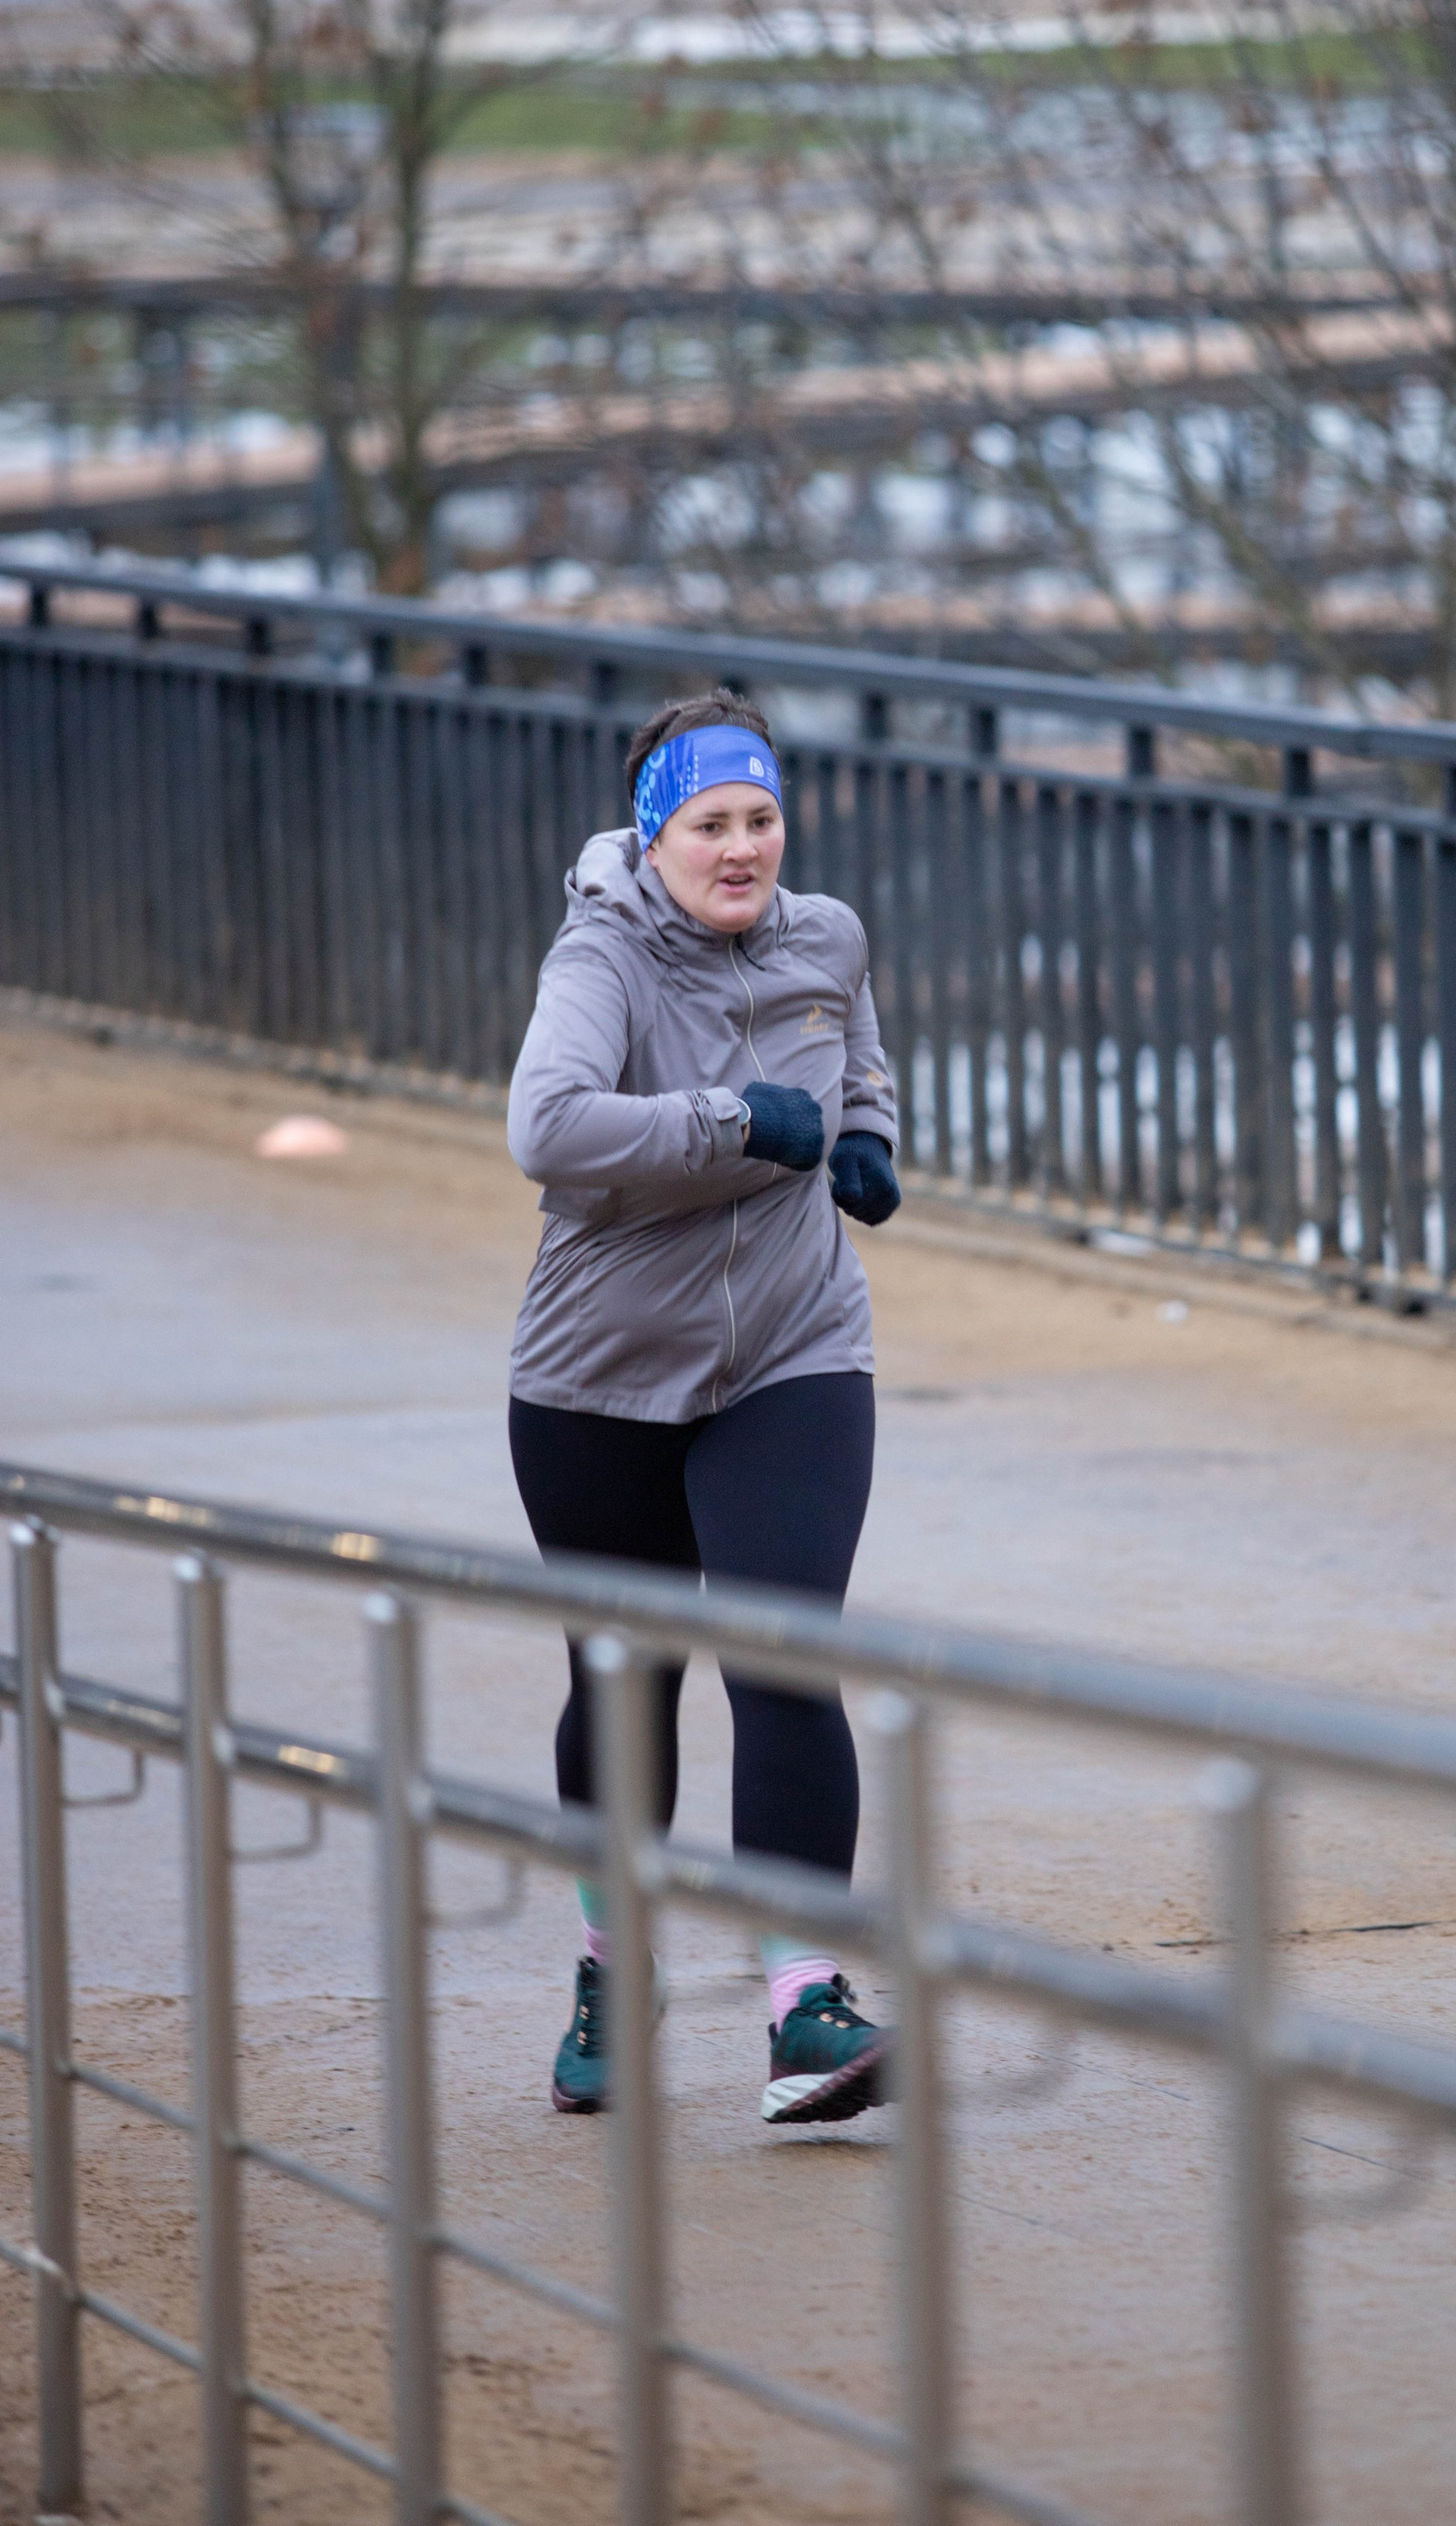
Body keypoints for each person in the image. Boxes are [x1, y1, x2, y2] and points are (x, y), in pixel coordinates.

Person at [503, 687, 903, 2126]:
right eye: (710, 826)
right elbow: (544, 1127)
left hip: (796, 1349)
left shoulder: (828, 935)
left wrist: (862, 1134)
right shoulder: (600, 953)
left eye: (761, 820)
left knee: (783, 1651)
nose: (743, 850)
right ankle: (615, 1965)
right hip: (599, 1376)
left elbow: (854, 1052)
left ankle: (808, 2007)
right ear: (652, 834)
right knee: (627, 1675)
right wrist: (737, 1123)